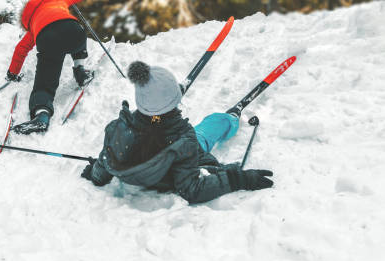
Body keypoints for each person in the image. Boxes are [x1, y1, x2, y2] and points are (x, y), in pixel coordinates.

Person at [80, 61, 274, 204]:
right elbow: (192, 190)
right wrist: (237, 179)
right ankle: (231, 118)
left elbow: (106, 161)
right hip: (171, 166)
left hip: (155, 163)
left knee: (196, 139)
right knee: (209, 127)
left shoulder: (121, 127)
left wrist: (95, 172)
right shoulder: (185, 139)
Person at [5, 0, 94, 135]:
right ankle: (80, 70)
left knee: (45, 83)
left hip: (48, 38)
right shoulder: (59, 0)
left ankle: (42, 115)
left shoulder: (33, 23)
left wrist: (12, 74)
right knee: (77, 36)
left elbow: (20, 50)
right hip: (75, 31)